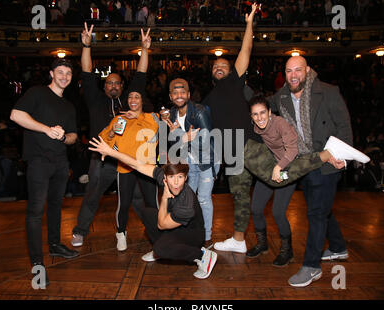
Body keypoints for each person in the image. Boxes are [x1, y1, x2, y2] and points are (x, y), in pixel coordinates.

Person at [244, 95, 370, 266]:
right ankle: (262, 244)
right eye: (255, 114)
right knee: (256, 208)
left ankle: (286, 252)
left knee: (278, 212)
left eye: (262, 113)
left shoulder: (279, 123)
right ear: (251, 116)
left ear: (270, 112)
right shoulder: (255, 127)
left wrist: (279, 166)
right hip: (270, 168)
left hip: (289, 169)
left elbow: (293, 149)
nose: (259, 118)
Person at [268, 55, 355, 287]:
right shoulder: (282, 97)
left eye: (298, 70)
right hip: (304, 164)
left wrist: (344, 159)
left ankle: (311, 266)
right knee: (322, 208)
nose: (293, 75)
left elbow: (345, 128)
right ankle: (337, 247)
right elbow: (261, 109)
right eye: (288, 71)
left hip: (328, 160)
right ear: (284, 74)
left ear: (307, 70)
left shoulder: (328, 91)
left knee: (316, 212)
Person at [88, 136, 217, 279]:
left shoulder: (186, 204)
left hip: (193, 235)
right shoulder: (165, 178)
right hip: (177, 226)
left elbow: (161, 225)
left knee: (161, 248)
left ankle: (202, 255)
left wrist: (164, 197)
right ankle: (161, 247)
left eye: (180, 177)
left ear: (186, 178)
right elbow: (137, 165)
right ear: (165, 177)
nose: (175, 183)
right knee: (147, 212)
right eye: (171, 177)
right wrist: (111, 152)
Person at [71, 24, 153, 249]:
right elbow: (86, 72)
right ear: (104, 85)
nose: (113, 86)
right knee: (92, 195)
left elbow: (141, 74)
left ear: (122, 86)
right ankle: (80, 231)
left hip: (128, 159)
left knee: (137, 198)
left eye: (117, 83)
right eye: (109, 83)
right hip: (103, 159)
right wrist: (86, 45)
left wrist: (145, 49)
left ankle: (153, 230)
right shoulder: (95, 100)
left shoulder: (129, 100)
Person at [10, 59, 79, 286]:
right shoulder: (37, 93)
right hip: (39, 161)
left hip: (60, 162)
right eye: (60, 72)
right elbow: (16, 115)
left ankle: (55, 245)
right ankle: (37, 264)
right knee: (35, 212)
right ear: (51, 73)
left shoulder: (68, 106)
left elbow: (73, 136)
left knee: (56, 206)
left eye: (68, 73)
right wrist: (47, 130)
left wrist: (63, 136)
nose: (64, 76)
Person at [202, 2, 259, 254]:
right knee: (240, 196)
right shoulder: (207, 100)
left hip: (248, 145)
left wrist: (249, 24)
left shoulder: (235, 83)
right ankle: (239, 240)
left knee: (277, 176)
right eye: (215, 67)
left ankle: (320, 158)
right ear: (212, 74)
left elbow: (245, 50)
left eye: (223, 65)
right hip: (231, 154)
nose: (219, 67)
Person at [99, 63, 160, 251]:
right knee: (123, 203)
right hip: (124, 168)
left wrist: (138, 118)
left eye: (137, 96)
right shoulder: (119, 119)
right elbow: (103, 141)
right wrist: (110, 135)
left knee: (152, 204)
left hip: (147, 168)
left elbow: (156, 133)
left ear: (142, 100)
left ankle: (157, 236)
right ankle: (121, 233)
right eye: (131, 96)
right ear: (127, 100)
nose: (133, 99)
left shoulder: (152, 117)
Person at [163, 78, 219, 249]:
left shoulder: (199, 112)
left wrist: (180, 135)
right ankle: (190, 232)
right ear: (171, 96)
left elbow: (206, 142)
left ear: (188, 94)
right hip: (189, 161)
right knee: (187, 198)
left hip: (207, 161)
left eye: (183, 91)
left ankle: (207, 237)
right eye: (175, 92)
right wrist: (182, 137)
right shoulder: (171, 114)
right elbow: (174, 144)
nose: (179, 95)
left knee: (202, 199)